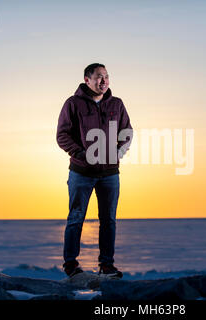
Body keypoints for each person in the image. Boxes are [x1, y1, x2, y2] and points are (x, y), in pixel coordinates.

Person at [56, 63, 133, 278]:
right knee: (76, 218)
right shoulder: (73, 104)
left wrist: (118, 152)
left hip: (110, 174)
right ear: (87, 80)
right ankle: (71, 265)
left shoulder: (116, 104)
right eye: (99, 77)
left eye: (107, 76)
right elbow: (62, 135)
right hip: (81, 173)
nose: (104, 81)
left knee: (108, 220)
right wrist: (80, 153)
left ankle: (106, 265)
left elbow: (126, 131)